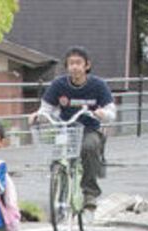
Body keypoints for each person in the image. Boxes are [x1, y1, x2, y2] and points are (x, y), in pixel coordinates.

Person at [29, 46, 116, 210]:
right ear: (67, 66)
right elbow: (46, 108)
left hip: (89, 129)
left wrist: (102, 113)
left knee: (88, 147)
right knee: (57, 150)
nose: (74, 67)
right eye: (71, 63)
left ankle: (89, 193)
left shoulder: (98, 85)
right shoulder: (58, 84)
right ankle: (59, 181)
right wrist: (38, 115)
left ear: (87, 66)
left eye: (78, 63)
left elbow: (111, 111)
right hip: (65, 128)